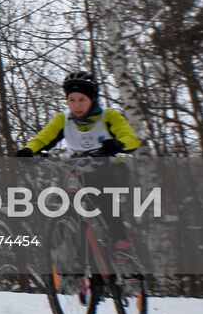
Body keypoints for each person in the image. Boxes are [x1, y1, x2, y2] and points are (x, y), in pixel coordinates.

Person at [15, 72, 142, 260]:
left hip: (112, 169)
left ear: (92, 99)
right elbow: (44, 138)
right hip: (79, 168)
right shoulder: (63, 119)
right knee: (67, 201)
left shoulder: (109, 117)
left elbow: (130, 139)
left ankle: (121, 240)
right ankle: (76, 248)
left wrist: (118, 144)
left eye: (82, 100)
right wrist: (28, 150)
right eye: (71, 100)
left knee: (105, 197)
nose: (76, 105)